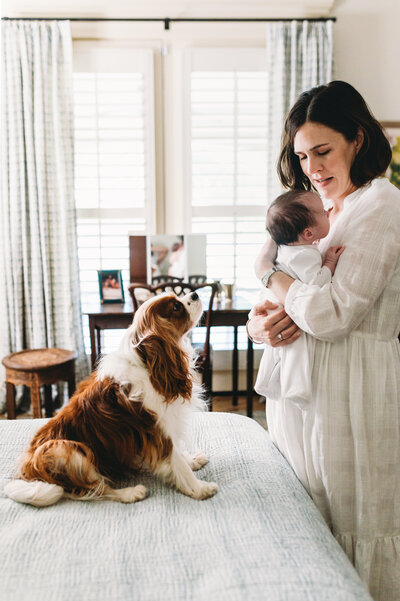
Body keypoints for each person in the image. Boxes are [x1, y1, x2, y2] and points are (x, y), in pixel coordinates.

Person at [246, 80, 400, 601]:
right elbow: (271, 299)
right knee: (309, 526)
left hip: (351, 390)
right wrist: (262, 323)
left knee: (355, 521)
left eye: (323, 151)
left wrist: (271, 278)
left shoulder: (380, 207)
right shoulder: (316, 210)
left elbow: (333, 315)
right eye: (303, 155)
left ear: (357, 139)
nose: (312, 166)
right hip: (305, 391)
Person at [254, 189, 344, 406]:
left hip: (276, 301)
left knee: (281, 356)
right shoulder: (305, 254)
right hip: (283, 308)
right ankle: (296, 390)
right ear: (308, 234)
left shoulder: (289, 248)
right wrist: (329, 263)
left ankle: (271, 384)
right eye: (323, 212)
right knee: (294, 356)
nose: (328, 212)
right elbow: (316, 283)